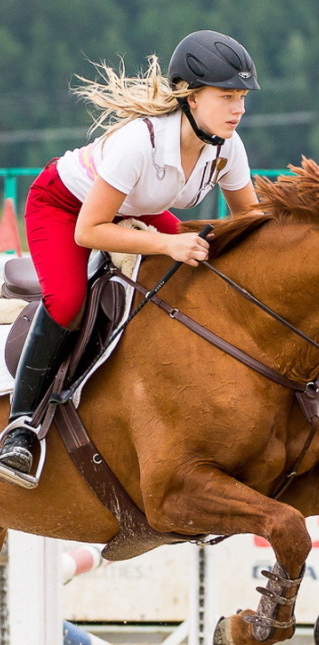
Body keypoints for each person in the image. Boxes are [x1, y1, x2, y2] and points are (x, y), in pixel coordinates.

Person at [0, 30, 260, 489]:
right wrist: (167, 244)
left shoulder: (227, 148)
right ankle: (20, 429)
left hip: (131, 207)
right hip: (65, 208)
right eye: (226, 96)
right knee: (66, 302)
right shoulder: (138, 143)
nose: (238, 108)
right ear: (191, 98)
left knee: (197, 271)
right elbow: (91, 231)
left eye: (241, 96)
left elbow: (252, 223)